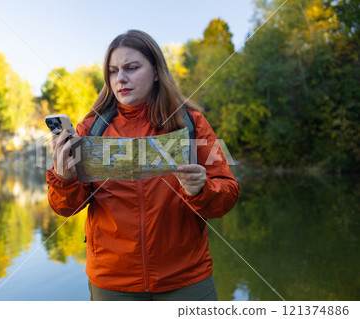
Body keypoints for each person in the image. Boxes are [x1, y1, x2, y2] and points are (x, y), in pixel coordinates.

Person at [46, 30, 239, 301]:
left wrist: (201, 190)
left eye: (132, 68)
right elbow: (65, 208)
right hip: (112, 283)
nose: (121, 78)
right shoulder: (90, 129)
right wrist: (64, 178)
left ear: (157, 71)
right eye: (113, 71)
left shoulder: (192, 123)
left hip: (186, 279)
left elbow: (227, 195)